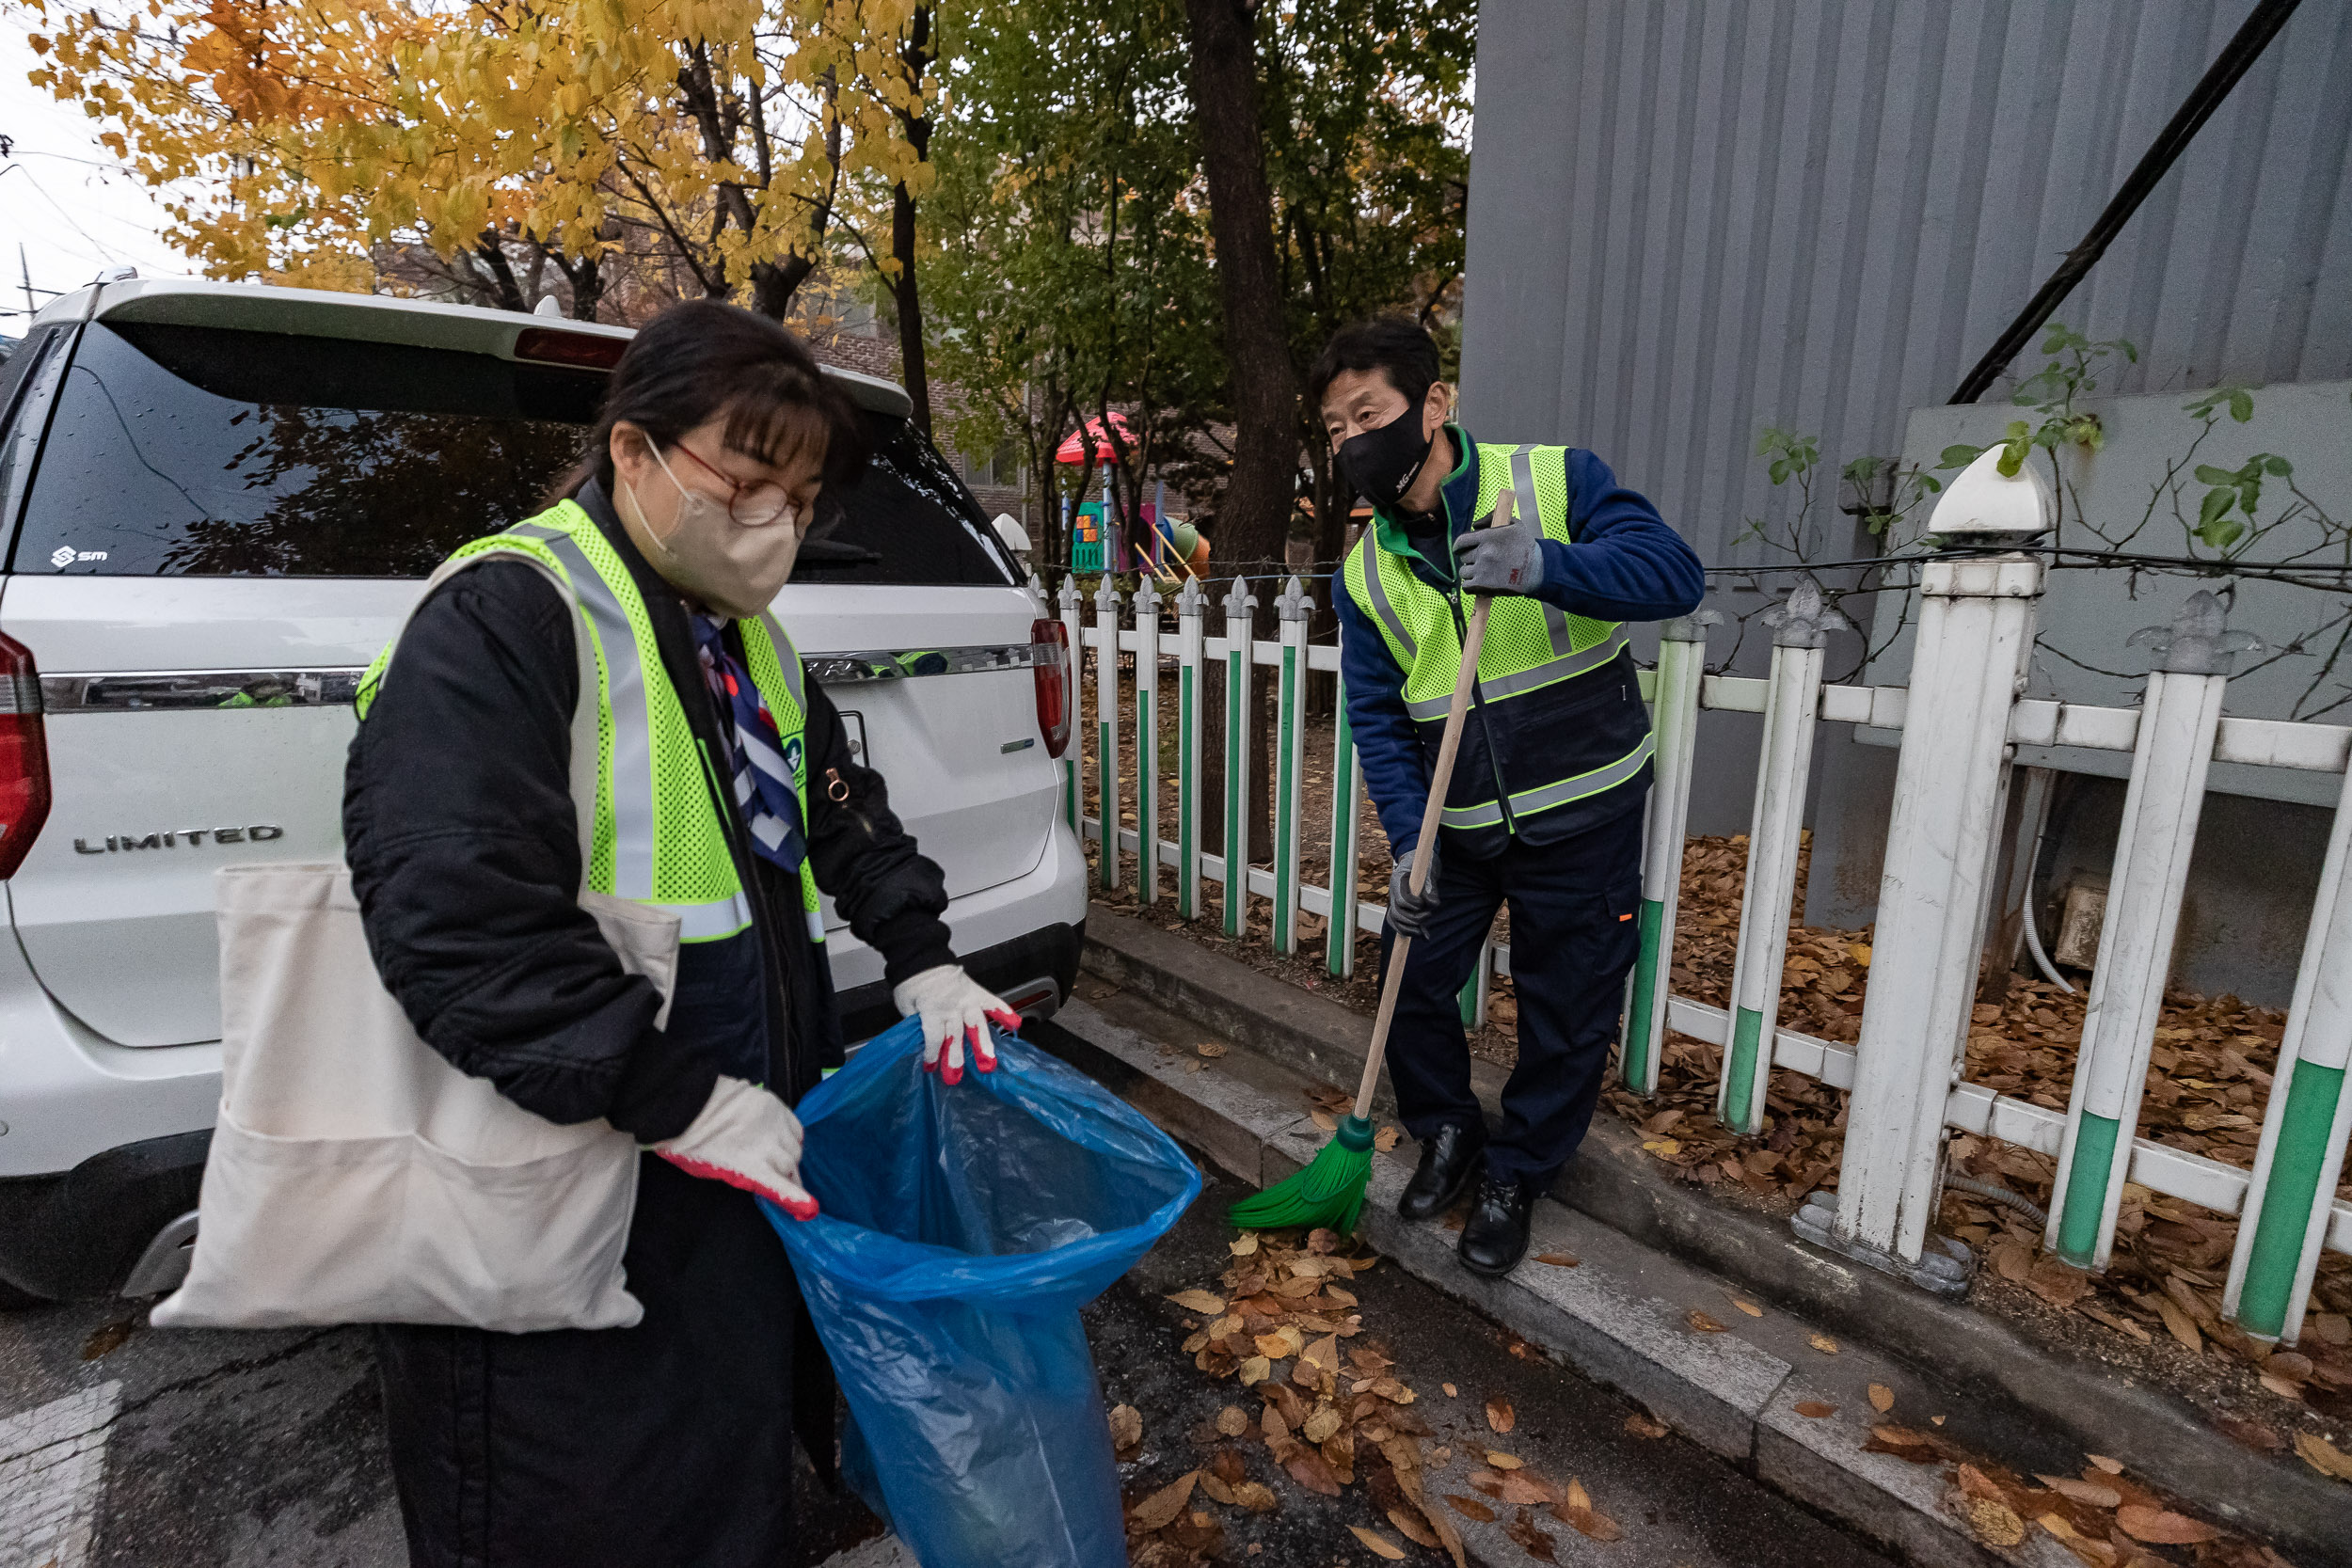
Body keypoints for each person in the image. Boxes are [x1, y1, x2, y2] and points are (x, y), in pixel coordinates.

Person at [343, 300, 1019, 1567]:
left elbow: (835, 801)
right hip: (558, 1191)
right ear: (635, 452)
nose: (779, 523)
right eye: (750, 480)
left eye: (804, 496)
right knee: (586, 1503)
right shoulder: (509, 617)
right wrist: (675, 1094)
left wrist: (922, 951)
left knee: (722, 1473)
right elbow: (458, 918)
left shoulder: (737, 629)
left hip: (716, 1177)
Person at [1320, 315, 1706, 1277]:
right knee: (1409, 974)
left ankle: (1518, 1169)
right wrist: (1410, 843)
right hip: (1456, 828)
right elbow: (1377, 716)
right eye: (1334, 429)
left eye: (1367, 413)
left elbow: (1674, 574)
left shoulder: (1551, 482)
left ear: (1434, 404)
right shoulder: (1365, 573)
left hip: (1584, 814)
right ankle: (1445, 1129)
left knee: (1564, 1007)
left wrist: (1545, 565)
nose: (1352, 441)